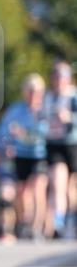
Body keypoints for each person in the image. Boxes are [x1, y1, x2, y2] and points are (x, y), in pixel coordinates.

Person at [0, 74, 48, 240]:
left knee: (38, 188)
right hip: (21, 155)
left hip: (40, 155)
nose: (33, 95)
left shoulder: (44, 110)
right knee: (22, 192)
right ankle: (25, 223)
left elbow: (45, 133)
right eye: (29, 91)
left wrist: (23, 134)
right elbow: (1, 133)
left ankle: (37, 228)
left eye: (36, 91)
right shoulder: (16, 110)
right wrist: (6, 146)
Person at [42, 61, 77, 238]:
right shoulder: (47, 97)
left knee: (71, 189)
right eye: (54, 76)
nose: (57, 80)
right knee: (58, 182)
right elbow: (40, 119)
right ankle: (58, 221)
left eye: (61, 76)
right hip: (54, 144)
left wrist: (69, 118)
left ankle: (70, 217)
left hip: (72, 144)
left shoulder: (73, 97)